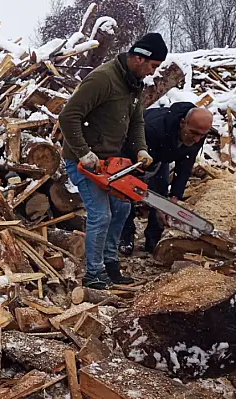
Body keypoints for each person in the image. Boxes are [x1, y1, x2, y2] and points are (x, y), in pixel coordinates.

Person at [59, 33, 168, 290]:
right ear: (139, 57)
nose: (153, 72)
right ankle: (93, 273)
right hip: (82, 161)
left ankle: (109, 262)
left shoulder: (133, 83)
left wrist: (141, 149)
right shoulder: (103, 79)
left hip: (111, 162)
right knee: (101, 214)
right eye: (153, 66)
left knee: (121, 209)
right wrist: (84, 152)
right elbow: (68, 116)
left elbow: (137, 121)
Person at [119, 103, 212, 254]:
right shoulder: (154, 128)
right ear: (183, 123)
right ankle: (126, 235)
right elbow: (136, 156)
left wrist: (174, 196)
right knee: (126, 193)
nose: (197, 139)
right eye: (193, 133)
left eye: (201, 135)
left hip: (162, 156)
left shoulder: (198, 134)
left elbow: (185, 165)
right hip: (134, 152)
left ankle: (153, 239)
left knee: (161, 193)